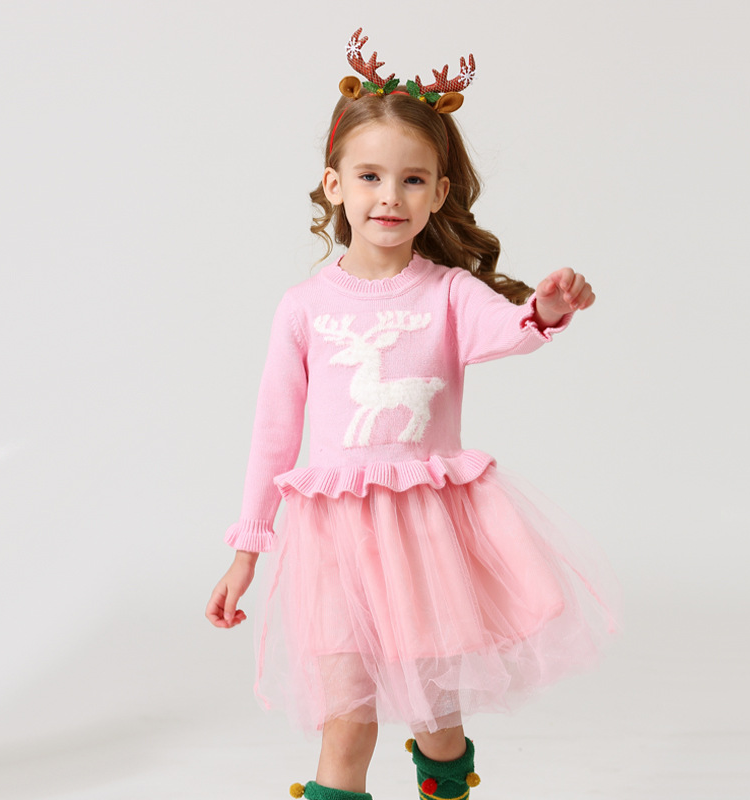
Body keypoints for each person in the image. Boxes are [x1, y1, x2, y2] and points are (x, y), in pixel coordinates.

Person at [206, 29, 620, 800]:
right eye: (369, 176)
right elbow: (274, 433)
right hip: (333, 543)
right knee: (346, 722)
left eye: (412, 179)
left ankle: (446, 778)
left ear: (437, 193)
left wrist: (545, 310)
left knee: (435, 718)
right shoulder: (303, 308)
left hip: (424, 542)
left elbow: (509, 330)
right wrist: (247, 551)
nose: (389, 196)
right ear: (334, 185)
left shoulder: (449, 294)